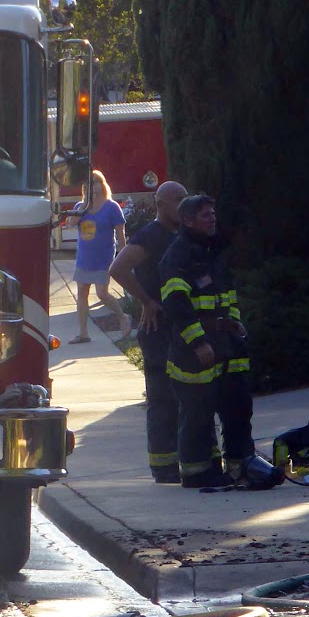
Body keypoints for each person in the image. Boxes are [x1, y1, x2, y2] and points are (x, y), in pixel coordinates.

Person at [159, 193, 281, 490]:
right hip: (196, 350)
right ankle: (196, 472)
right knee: (198, 414)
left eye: (213, 214)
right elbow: (177, 305)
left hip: (227, 343)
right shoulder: (178, 256)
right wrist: (199, 342)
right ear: (187, 221)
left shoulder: (212, 251)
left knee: (238, 407)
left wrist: (236, 325)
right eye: (205, 215)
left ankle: (241, 464)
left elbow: (227, 295)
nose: (213, 219)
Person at [110, 180, 188, 482]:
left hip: (178, 326)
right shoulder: (150, 236)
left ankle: (184, 459)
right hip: (158, 329)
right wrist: (146, 301)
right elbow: (117, 269)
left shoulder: (180, 234)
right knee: (163, 399)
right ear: (161, 204)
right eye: (178, 199)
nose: (184, 204)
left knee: (185, 398)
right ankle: (163, 467)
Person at [69, 170, 133, 344]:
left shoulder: (111, 207)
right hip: (84, 257)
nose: (92, 185)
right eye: (89, 183)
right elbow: (70, 223)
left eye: (96, 182)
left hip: (104, 257)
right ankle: (83, 333)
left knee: (102, 293)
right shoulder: (80, 207)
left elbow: (120, 235)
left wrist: (124, 258)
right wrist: (83, 207)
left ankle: (123, 317)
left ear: (102, 184)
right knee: (82, 292)